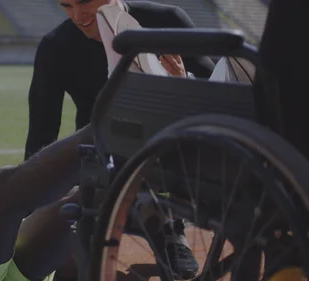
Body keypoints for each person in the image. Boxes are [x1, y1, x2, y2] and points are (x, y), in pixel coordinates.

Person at [23, 0, 216, 279]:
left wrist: (183, 79)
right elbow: (42, 133)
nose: (78, 15)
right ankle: (145, 219)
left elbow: (217, 89)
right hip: (102, 150)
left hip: (172, 148)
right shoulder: (55, 46)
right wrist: (27, 210)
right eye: (66, 5)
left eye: (85, 1)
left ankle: (171, 227)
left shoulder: (167, 19)